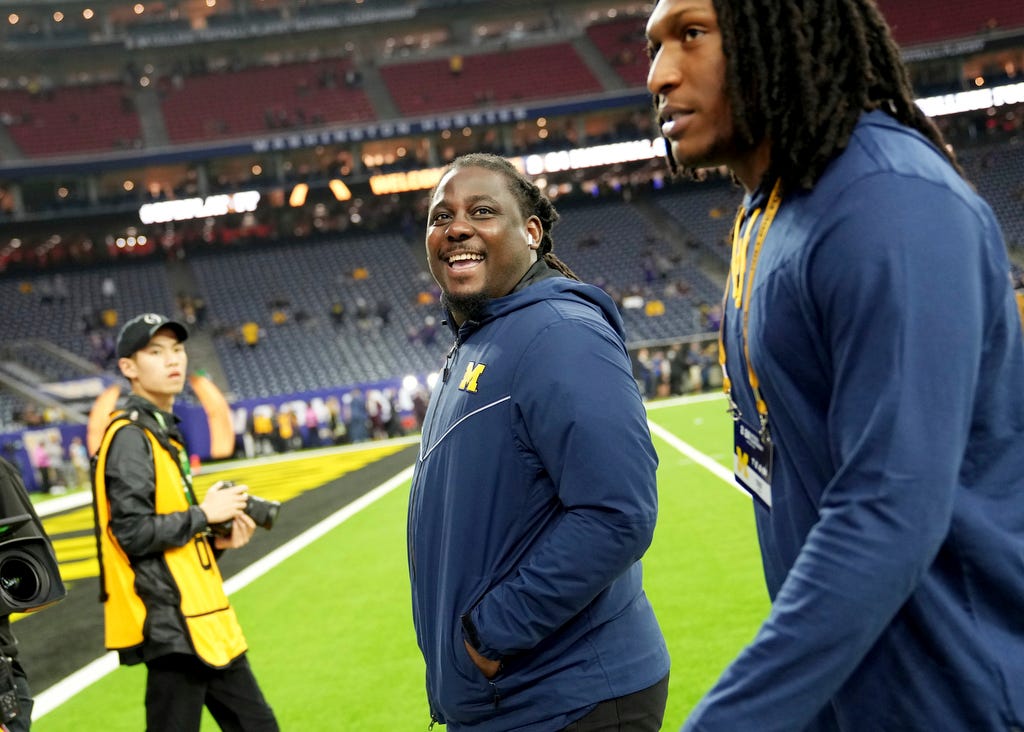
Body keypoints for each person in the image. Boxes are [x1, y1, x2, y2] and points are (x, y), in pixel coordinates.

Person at [646, 1, 1024, 730]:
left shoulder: (889, 201)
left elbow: (889, 510)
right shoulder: (773, 208)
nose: (660, 74)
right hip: (863, 694)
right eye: (654, 45)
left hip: (960, 698)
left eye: (691, 35)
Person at [407, 153, 670, 731]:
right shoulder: (484, 337)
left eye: (482, 211)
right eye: (439, 216)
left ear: (531, 232)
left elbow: (617, 512)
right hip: (514, 700)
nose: (455, 227)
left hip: (565, 698)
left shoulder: (559, 334)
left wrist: (490, 635)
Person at [91, 313, 278, 732]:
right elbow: (132, 534)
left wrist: (216, 542)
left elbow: (170, 542)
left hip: (205, 621)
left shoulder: (162, 435)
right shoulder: (129, 437)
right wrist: (204, 515)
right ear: (128, 368)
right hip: (173, 628)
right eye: (155, 352)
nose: (171, 360)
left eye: (176, 349)